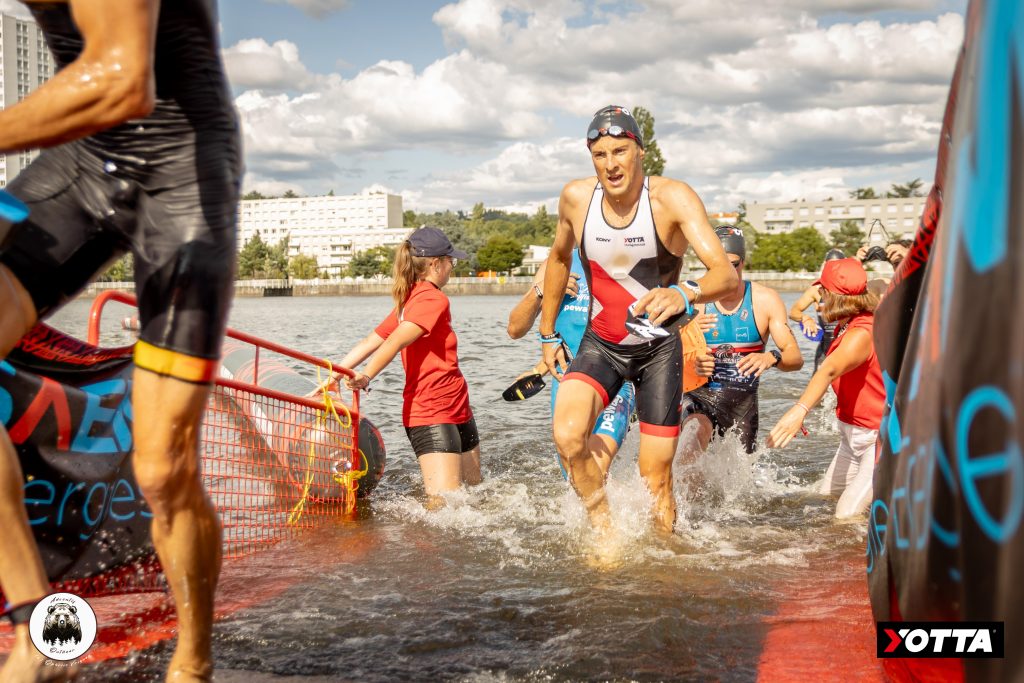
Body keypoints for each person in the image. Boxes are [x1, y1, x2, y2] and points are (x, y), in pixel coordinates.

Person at [0, 2, 240, 681]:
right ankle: (38, 634)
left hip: (183, 171)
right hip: (80, 162)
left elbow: (121, 79)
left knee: (162, 470)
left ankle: (192, 663)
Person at [539, 105, 738, 535]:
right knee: (568, 437)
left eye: (620, 151)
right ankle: (605, 531)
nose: (610, 164)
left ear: (640, 151)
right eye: (600, 155)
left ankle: (663, 556)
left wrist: (685, 292)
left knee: (655, 478)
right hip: (601, 345)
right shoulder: (576, 198)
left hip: (657, 353)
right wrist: (547, 333)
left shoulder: (671, 198)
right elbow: (557, 259)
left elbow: (725, 274)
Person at [342, 226, 482, 499]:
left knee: (474, 495)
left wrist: (333, 376)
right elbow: (394, 341)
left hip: (458, 406)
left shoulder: (411, 300)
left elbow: (370, 341)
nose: (452, 268)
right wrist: (366, 376)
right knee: (445, 507)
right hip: (431, 411)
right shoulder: (432, 299)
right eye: (450, 262)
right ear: (435, 264)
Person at [766, 258, 885, 519]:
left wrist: (799, 411)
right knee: (823, 498)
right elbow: (877, 284)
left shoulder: (861, 332)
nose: (819, 297)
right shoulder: (849, 321)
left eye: (822, 291)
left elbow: (827, 370)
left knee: (845, 515)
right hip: (851, 437)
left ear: (832, 295)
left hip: (875, 440)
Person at [507, 249, 636, 478]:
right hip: (567, 381)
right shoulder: (557, 262)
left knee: (597, 465)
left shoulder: (629, 259)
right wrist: (542, 290)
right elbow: (515, 329)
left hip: (617, 379)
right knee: (573, 471)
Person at [679, 227, 803, 461]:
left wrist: (771, 357)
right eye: (717, 266)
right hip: (699, 397)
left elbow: (795, 358)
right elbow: (659, 353)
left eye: (733, 265)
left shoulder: (765, 299)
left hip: (742, 406)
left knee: (740, 477)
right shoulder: (693, 299)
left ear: (743, 263)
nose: (727, 273)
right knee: (692, 440)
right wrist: (688, 346)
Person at [789, 248, 846, 371]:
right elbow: (793, 312)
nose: (834, 269)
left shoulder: (852, 290)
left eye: (838, 265)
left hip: (848, 350)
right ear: (825, 266)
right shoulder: (816, 290)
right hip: (825, 351)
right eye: (830, 265)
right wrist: (805, 318)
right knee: (818, 383)